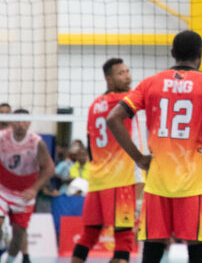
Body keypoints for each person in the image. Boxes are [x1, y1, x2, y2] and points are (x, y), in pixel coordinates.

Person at [106, 30, 202, 263]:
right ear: (200, 54)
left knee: (153, 250)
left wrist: (139, 158)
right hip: (194, 182)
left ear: (172, 53)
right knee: (198, 251)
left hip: (158, 180)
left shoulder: (150, 83)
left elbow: (113, 118)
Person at [70, 58, 142, 263]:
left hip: (97, 180)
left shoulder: (94, 106)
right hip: (121, 179)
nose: (127, 76)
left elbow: (90, 142)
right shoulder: (128, 100)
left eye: (128, 71)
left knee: (90, 234)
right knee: (125, 236)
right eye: (121, 73)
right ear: (108, 78)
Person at [0, 110, 55, 263]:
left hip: (24, 192)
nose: (21, 124)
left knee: (19, 233)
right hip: (1, 188)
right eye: (17, 120)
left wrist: (34, 189)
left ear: (29, 123)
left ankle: (10, 259)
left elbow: (49, 168)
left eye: (24, 121)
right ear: (11, 122)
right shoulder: (0, 138)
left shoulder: (36, 142)